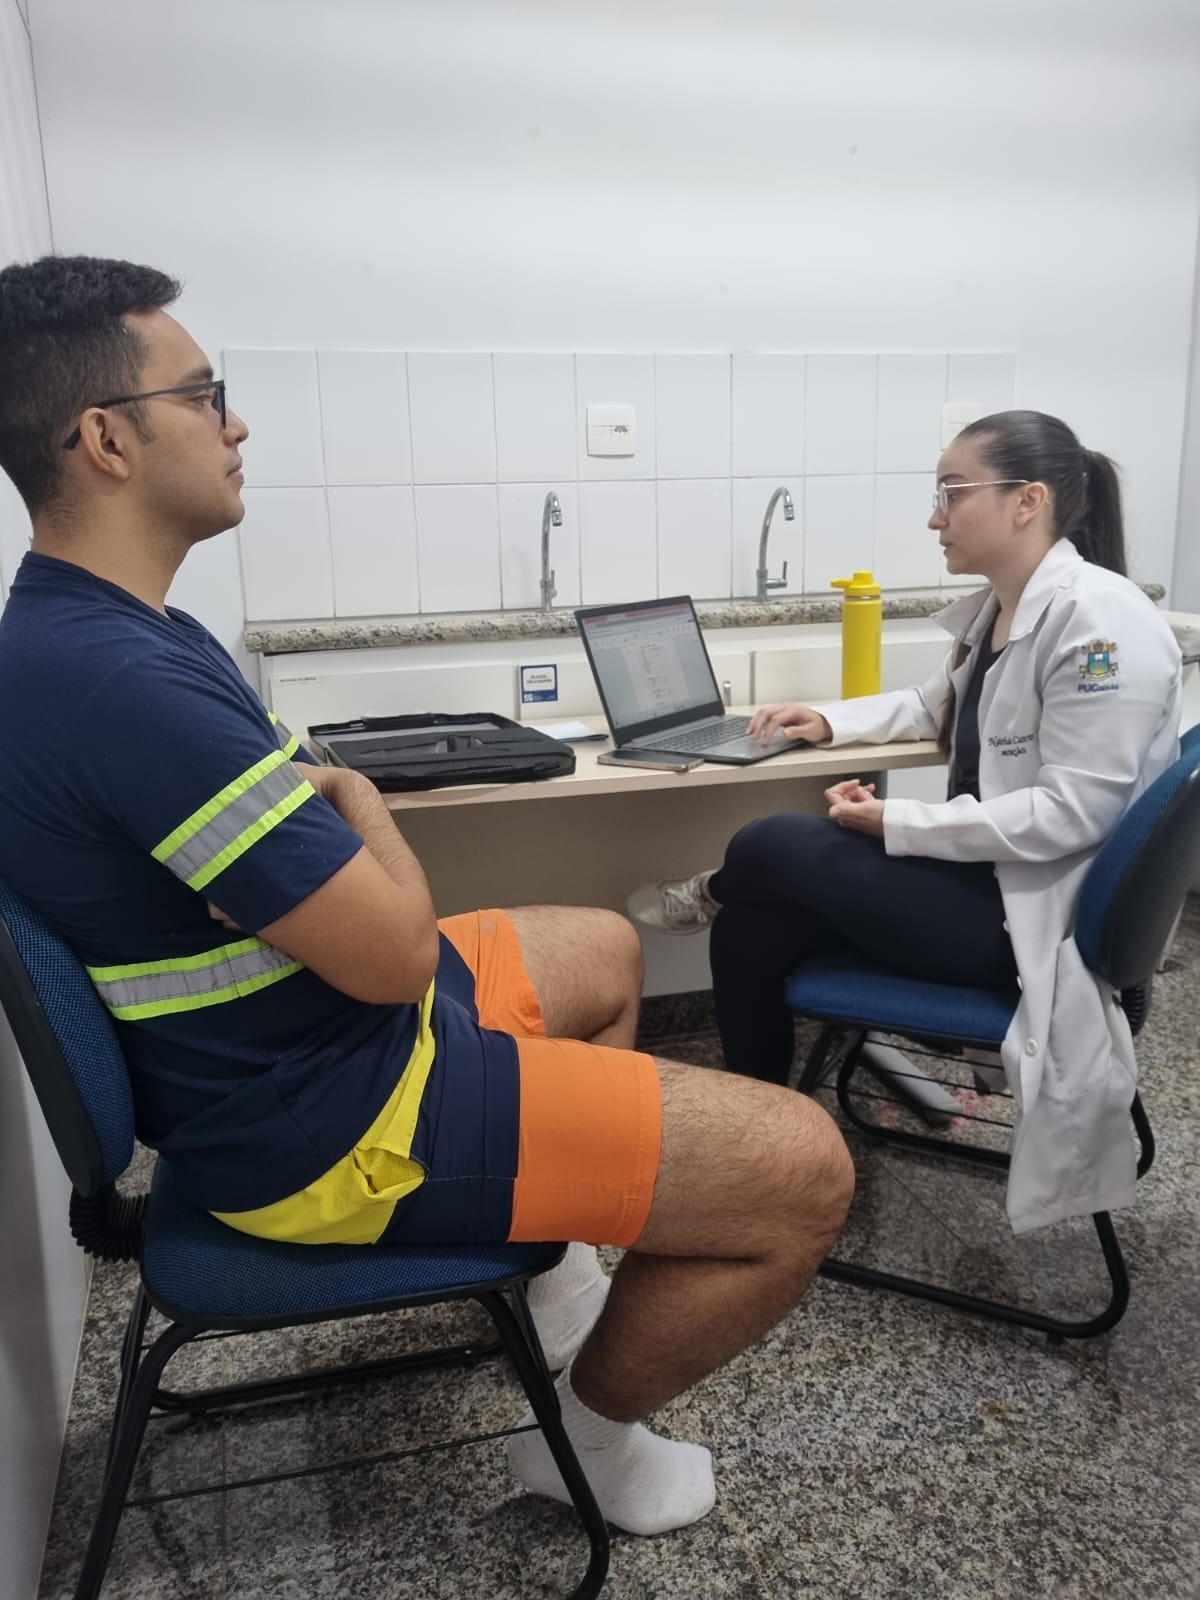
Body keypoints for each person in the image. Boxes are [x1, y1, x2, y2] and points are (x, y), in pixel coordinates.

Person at [0, 255, 854, 1536]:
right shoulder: (125, 687)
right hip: (324, 1119)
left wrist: (341, 836)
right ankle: (592, 1449)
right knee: (806, 1171)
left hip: (306, 1042)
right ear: (107, 439)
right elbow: (393, 950)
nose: (237, 424)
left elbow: (323, 844)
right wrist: (364, 808)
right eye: (206, 395)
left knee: (606, 948)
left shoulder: (110, 630)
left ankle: (559, 1282)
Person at [630, 410, 1182, 1234]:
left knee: (772, 843)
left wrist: (898, 822)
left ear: (1027, 500)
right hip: (980, 889)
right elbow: (936, 706)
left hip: (1028, 923)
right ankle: (762, 1150)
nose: (934, 517)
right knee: (753, 923)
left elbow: (1076, 812)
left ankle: (712, 887)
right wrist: (826, 720)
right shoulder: (1005, 608)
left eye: (953, 493)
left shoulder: (1102, 625)